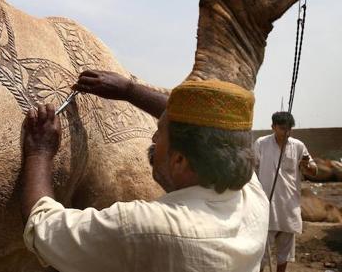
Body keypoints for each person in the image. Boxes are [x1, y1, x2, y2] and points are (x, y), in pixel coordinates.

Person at [20, 70, 270, 272]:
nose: (153, 135)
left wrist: (39, 153)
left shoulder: (147, 227)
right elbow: (207, 124)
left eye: (160, 131)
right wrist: (129, 91)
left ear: (180, 160)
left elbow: (44, 228)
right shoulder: (252, 197)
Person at [252, 111, 318, 272]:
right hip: (266, 207)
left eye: (289, 129)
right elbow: (252, 170)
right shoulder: (261, 143)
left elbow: (313, 171)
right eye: (282, 128)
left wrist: (306, 166)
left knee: (285, 254)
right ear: (273, 127)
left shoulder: (298, 146)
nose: (286, 132)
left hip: (289, 207)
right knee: (261, 254)